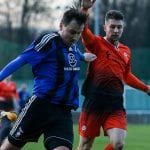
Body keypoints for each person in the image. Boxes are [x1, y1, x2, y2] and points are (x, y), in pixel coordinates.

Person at [0, 7, 96, 150]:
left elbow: (74, 53)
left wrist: (83, 57)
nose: (75, 37)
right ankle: (6, 122)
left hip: (64, 111)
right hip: (40, 106)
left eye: (79, 33)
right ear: (61, 26)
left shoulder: (72, 45)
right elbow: (21, 60)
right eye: (72, 32)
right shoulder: (49, 41)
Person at [77, 0, 150, 150]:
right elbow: (84, 32)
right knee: (85, 145)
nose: (116, 30)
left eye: (119, 27)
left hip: (115, 105)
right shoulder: (96, 43)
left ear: (123, 28)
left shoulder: (126, 51)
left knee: (118, 143)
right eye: (112, 27)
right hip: (94, 103)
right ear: (105, 27)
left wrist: (146, 88)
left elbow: (127, 75)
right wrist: (84, 9)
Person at [0, 76, 18, 145]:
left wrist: (16, 99)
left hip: (10, 103)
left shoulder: (13, 84)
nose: (8, 77)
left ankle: (11, 133)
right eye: (7, 75)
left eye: (10, 75)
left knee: (12, 116)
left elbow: (15, 93)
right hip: (2, 103)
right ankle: (2, 131)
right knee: (3, 117)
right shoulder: (1, 83)